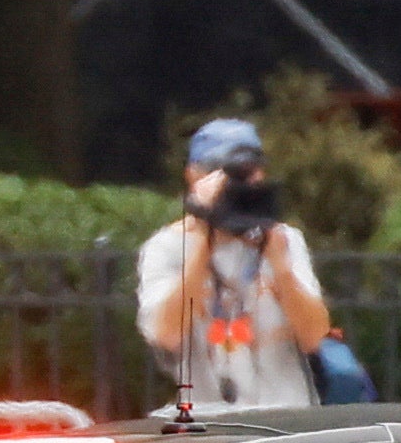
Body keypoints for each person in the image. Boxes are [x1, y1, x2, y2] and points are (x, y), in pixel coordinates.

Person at [137, 118, 331, 410]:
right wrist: (205, 238)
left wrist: (281, 269)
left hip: (287, 418)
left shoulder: (283, 240)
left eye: (249, 171)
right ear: (194, 176)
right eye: (227, 172)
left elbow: (315, 336)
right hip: (209, 421)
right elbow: (165, 333)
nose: (241, 181)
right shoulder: (166, 248)